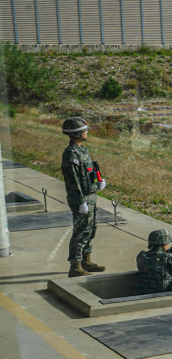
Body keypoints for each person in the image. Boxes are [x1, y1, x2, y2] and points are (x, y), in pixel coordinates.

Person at [61, 117, 107, 277]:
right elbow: (73, 180)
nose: (87, 132)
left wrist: (98, 181)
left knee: (90, 230)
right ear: (78, 134)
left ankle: (86, 260)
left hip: (90, 196)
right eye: (85, 130)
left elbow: (87, 173)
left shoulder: (83, 151)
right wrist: (81, 201)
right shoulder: (71, 154)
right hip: (81, 199)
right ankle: (75, 266)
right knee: (80, 232)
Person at [136, 230, 172, 294]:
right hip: (164, 292)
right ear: (163, 243)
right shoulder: (168, 257)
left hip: (145, 291)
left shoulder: (141, 256)